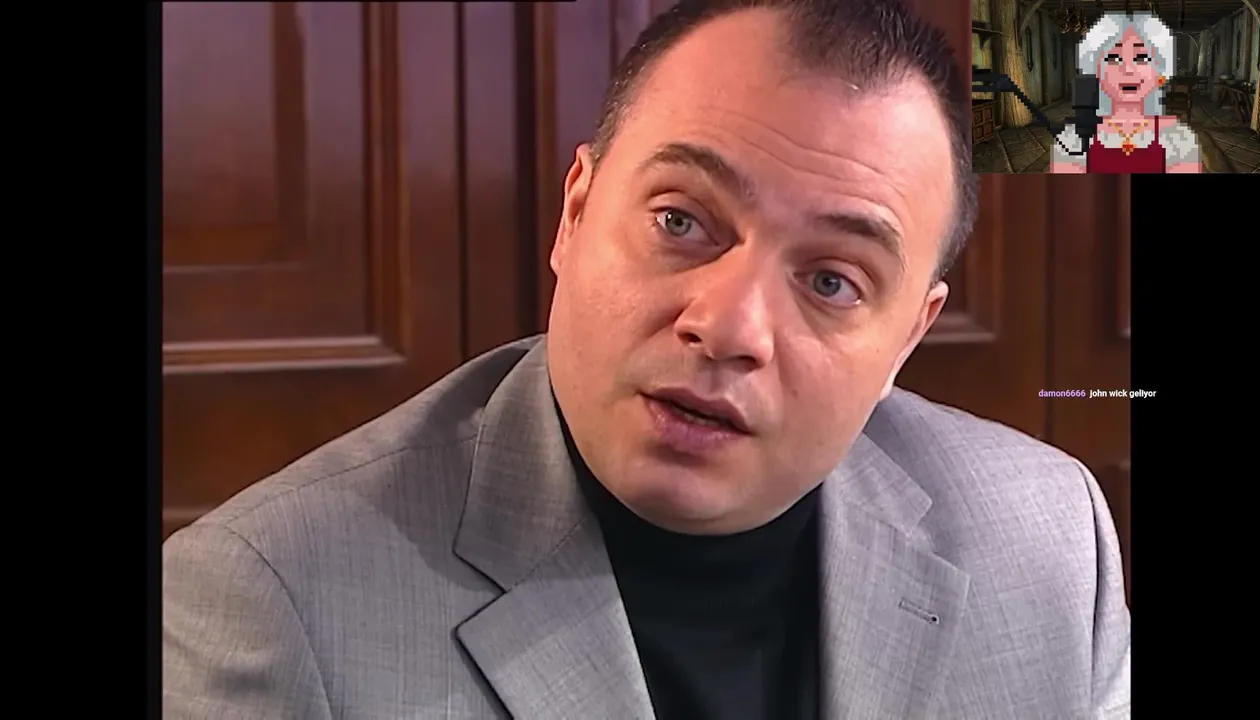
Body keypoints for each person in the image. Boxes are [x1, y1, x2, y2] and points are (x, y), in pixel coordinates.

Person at [162, 0, 1131, 717]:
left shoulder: (1045, 540)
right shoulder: (270, 604)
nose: (730, 327)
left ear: (906, 339)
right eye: (680, 221)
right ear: (576, 212)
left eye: (832, 281)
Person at [1051, 11, 1201, 173]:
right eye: (1114, 58)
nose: (1128, 69)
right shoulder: (1070, 140)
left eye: (1141, 58)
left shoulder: (1181, 141)